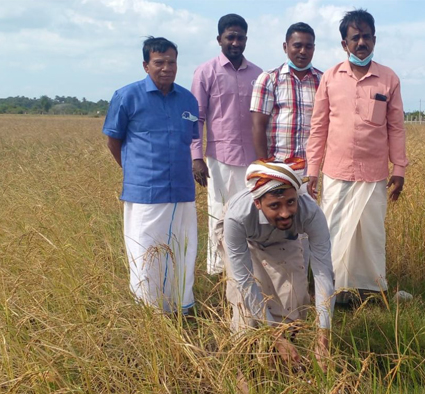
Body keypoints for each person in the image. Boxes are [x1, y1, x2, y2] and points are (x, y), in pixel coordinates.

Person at [305, 9, 408, 302]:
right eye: (355, 37)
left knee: (370, 234)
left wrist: (399, 168)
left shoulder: (388, 79)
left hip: (374, 173)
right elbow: (318, 127)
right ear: (344, 44)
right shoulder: (330, 78)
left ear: (374, 40)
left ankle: (371, 290)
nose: (361, 42)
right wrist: (313, 169)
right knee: (333, 232)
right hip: (336, 171)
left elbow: (396, 128)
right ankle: (331, 289)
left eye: (366, 36)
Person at [103, 37, 200, 313]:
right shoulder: (127, 96)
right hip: (145, 192)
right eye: (159, 62)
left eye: (172, 62)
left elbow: (191, 139)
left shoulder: (188, 100)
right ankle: (149, 311)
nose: (166, 68)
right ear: (146, 65)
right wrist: (134, 170)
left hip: (182, 191)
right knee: (146, 252)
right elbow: (113, 141)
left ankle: (180, 306)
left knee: (182, 251)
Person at [216, 158, 334, 369]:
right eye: (274, 206)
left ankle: (285, 358)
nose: (285, 213)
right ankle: (247, 363)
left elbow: (323, 273)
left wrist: (323, 337)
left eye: (290, 202)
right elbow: (245, 280)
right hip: (246, 240)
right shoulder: (237, 219)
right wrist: (275, 337)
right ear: (258, 203)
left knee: (295, 299)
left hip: (284, 239)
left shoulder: (311, 213)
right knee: (246, 315)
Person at [191, 14, 263, 275]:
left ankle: (251, 269)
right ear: (219, 39)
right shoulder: (205, 72)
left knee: (252, 213)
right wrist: (196, 157)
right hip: (219, 158)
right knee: (219, 213)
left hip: (254, 159)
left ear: (246, 39)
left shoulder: (258, 74)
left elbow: (264, 119)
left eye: (240, 37)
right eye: (230, 37)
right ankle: (218, 270)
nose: (235, 42)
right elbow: (196, 117)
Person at [250, 22, 322, 161]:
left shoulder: (323, 81)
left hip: (309, 167)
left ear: (314, 48)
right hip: (277, 164)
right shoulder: (269, 79)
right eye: (297, 45)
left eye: (308, 47)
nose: (303, 51)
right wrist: (264, 165)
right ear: (285, 47)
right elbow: (258, 125)